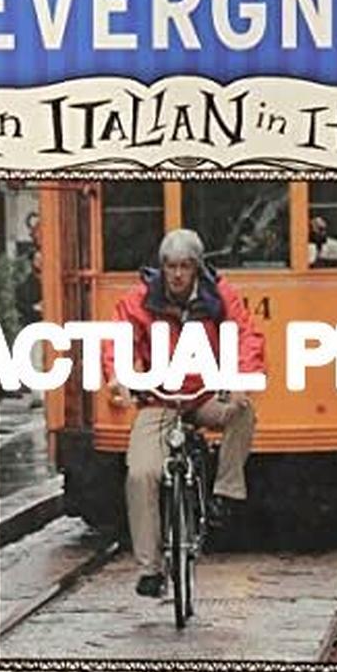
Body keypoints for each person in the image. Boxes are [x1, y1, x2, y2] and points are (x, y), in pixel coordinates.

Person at [102, 228, 265, 598]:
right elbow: (118, 339)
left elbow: (246, 335)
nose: (177, 274)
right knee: (141, 473)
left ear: (197, 267)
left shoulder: (219, 295)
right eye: (171, 266)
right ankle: (150, 569)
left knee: (243, 412)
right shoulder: (140, 299)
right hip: (159, 399)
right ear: (162, 267)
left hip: (204, 396)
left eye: (185, 266)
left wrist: (241, 379)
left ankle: (225, 492)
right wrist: (119, 375)